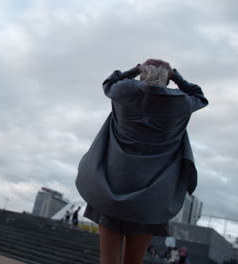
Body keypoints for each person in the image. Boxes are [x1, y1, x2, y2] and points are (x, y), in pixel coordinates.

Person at [75, 59, 208, 264]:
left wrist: (136, 68)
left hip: (111, 187)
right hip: (151, 198)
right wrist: (176, 76)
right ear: (167, 79)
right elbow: (199, 95)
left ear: (142, 74)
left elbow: (109, 82)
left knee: (108, 260)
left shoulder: (124, 92)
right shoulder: (180, 102)